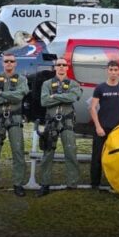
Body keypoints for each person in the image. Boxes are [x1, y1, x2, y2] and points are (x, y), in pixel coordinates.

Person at [0, 53, 29, 198]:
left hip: (15, 119)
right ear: (3, 63)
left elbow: (20, 96)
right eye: (6, 61)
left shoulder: (22, 79)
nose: (9, 63)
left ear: (15, 64)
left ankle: (18, 184)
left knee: (18, 152)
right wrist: (9, 96)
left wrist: (1, 94)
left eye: (12, 61)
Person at [36, 57, 82, 197]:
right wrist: (63, 96)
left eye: (64, 65)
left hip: (67, 123)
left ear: (67, 67)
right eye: (59, 65)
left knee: (71, 153)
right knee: (47, 154)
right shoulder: (47, 84)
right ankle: (45, 185)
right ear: (55, 67)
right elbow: (44, 101)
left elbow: (73, 98)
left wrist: (54, 96)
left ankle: (72, 184)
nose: (61, 67)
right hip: (51, 124)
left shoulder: (74, 84)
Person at [88, 60, 119, 189]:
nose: (113, 72)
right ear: (107, 71)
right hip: (101, 128)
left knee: (116, 156)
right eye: (111, 70)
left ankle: (114, 184)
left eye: (116, 70)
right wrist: (98, 127)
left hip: (116, 129)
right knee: (97, 157)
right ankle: (95, 184)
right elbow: (92, 108)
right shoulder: (100, 88)